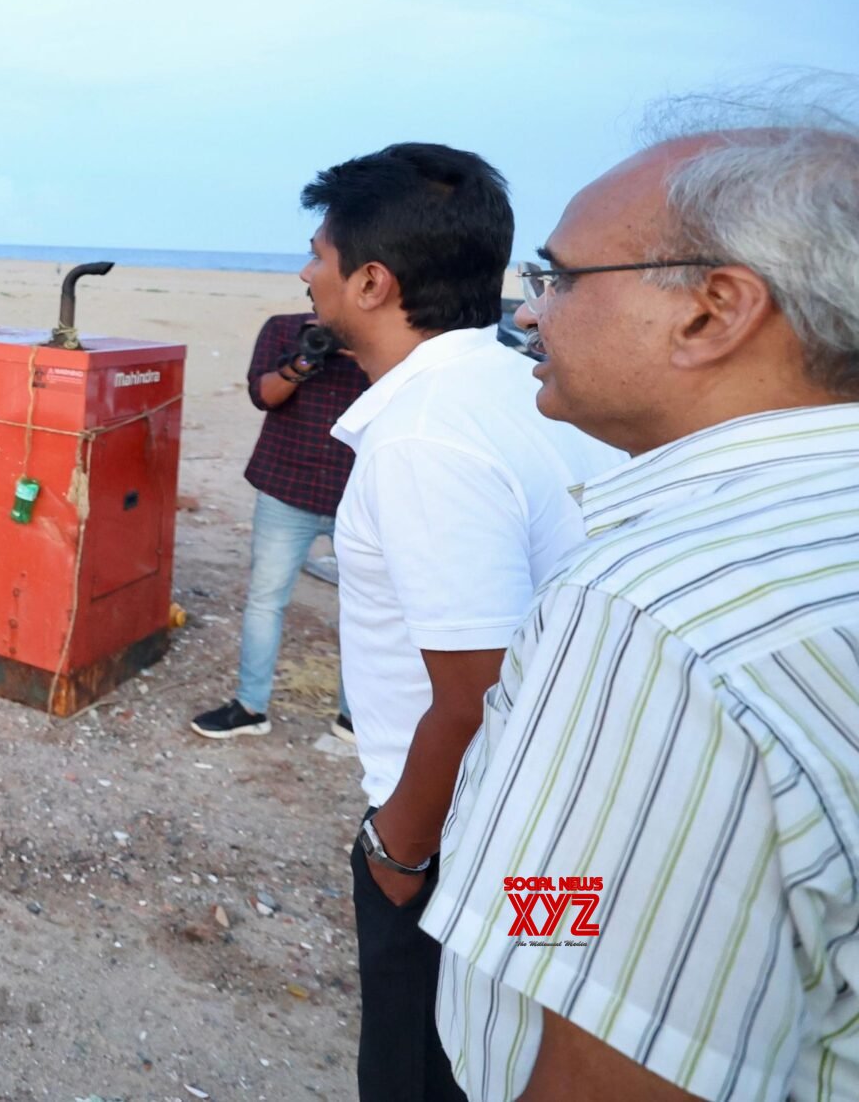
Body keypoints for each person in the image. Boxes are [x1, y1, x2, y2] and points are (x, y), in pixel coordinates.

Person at [423, 100, 859, 1101]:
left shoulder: (661, 615)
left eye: (562, 277)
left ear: (713, 309)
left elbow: (601, 998)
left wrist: (515, 888)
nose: (527, 310)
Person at [302, 143, 623, 1102]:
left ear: (371, 281)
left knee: (422, 1072)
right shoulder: (525, 388)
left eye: (317, 253)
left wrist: (398, 852)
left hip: (462, 842)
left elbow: (479, 690)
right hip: (557, 821)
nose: (304, 273)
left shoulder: (424, 438)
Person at [189, 311, 369, 742]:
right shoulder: (284, 329)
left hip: (361, 496)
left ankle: (356, 718)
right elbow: (264, 396)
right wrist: (304, 360)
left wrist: (364, 350)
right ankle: (250, 706)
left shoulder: (385, 338)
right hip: (286, 487)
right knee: (265, 601)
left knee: (367, 612)